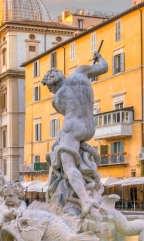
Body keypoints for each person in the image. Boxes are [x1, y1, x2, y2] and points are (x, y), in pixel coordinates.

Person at [42, 51, 108, 220]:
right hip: (89, 126)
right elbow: (104, 67)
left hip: (72, 125)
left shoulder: (56, 99)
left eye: (50, 89)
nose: (51, 92)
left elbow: (65, 112)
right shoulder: (80, 73)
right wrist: (99, 56)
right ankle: (85, 194)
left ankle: (85, 200)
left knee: (68, 165)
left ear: (53, 86)